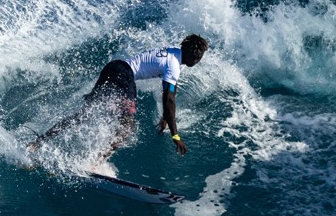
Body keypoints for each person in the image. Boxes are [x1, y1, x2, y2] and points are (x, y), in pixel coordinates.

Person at [27, 35, 209, 163]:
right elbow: (168, 99)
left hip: (113, 67)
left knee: (84, 115)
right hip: (124, 74)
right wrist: (175, 134)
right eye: (196, 57)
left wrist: (165, 118)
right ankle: (94, 163)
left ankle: (37, 143)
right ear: (189, 54)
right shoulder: (174, 65)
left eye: (199, 57)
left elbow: (171, 92)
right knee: (127, 127)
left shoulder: (176, 55)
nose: (198, 60)